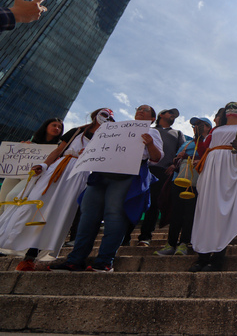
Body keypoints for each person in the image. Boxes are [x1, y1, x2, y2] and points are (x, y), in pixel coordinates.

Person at [50, 105, 163, 272]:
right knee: (88, 216)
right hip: (101, 174)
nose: (140, 110)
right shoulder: (114, 128)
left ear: (152, 118)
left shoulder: (153, 133)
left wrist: (151, 144)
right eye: (138, 108)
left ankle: (104, 261)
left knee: (115, 215)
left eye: (145, 110)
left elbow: (156, 158)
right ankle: (75, 260)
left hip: (126, 176)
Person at [0, 109, 112, 271]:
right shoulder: (77, 131)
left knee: (56, 214)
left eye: (109, 116)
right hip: (58, 169)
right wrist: (44, 165)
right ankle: (13, 241)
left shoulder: (106, 138)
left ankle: (31, 258)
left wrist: (90, 156)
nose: (106, 118)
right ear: (95, 115)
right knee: (34, 206)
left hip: (79, 175)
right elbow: (58, 150)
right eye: (103, 114)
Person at [188, 102, 237, 272]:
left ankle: (218, 258)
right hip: (211, 168)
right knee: (206, 210)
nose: (231, 110)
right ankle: (202, 257)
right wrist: (198, 137)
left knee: (222, 211)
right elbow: (204, 149)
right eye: (228, 108)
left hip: (229, 168)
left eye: (235, 108)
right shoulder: (214, 131)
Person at [155, 117, 212, 256]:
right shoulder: (186, 143)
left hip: (196, 181)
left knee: (190, 213)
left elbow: (211, 158)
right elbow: (177, 159)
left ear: (209, 128)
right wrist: (176, 161)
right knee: (176, 212)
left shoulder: (210, 143)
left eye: (201, 124)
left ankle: (184, 243)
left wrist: (197, 160)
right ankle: (171, 243)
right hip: (179, 179)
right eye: (195, 124)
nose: (197, 126)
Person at [136, 108, 185, 247]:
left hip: (163, 171)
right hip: (143, 168)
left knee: (154, 204)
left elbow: (181, 151)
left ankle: (145, 236)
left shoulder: (177, 133)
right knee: (136, 199)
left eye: (175, 114)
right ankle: (125, 235)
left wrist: (175, 166)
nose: (173, 115)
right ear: (160, 115)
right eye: (170, 113)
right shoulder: (147, 130)